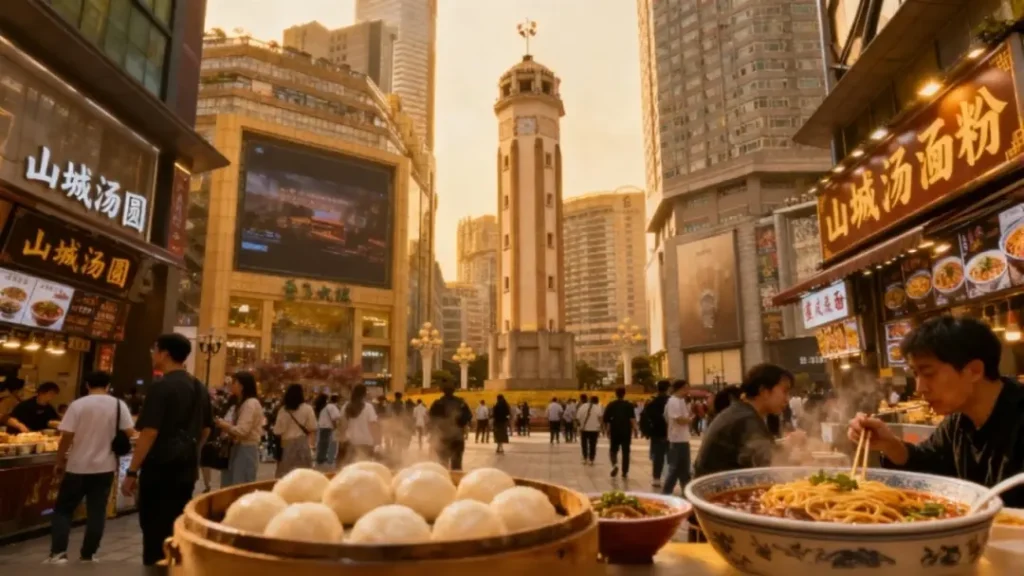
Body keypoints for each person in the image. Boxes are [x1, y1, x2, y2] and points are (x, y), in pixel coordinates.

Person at [848, 316, 1024, 508]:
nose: (920, 387)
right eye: (915, 373)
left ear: (974, 371)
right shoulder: (958, 421)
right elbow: (929, 463)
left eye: (928, 373)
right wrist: (889, 444)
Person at [122, 333, 213, 566]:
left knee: (154, 529)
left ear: (164, 353)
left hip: (160, 470)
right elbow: (206, 430)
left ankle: (156, 569)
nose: (153, 355)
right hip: (186, 470)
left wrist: (132, 471)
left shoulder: (161, 386)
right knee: (177, 525)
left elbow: (149, 432)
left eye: (155, 350)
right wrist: (191, 451)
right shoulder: (198, 386)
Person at [45, 372, 134, 564]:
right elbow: (130, 432)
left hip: (77, 466)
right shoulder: (119, 405)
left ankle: (58, 554)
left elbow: (67, 436)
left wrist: (60, 460)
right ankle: (88, 554)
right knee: (97, 511)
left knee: (63, 510)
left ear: (87, 385)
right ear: (108, 385)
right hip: (105, 467)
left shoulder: (78, 405)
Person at [694, 364, 802, 478]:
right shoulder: (745, 419)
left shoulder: (742, 412)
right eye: (785, 391)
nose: (787, 399)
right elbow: (769, 467)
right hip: (715, 491)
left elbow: (762, 453)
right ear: (764, 391)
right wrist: (791, 446)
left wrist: (788, 444)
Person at [215, 372, 264, 487]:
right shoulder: (242, 403)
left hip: (246, 449)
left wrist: (224, 425)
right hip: (238, 448)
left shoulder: (250, 404)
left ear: (242, 386)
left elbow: (242, 431)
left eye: (234, 382)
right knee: (232, 484)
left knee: (240, 485)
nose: (231, 385)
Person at [272, 384, 316, 478]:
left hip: (286, 445)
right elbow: (312, 427)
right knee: (303, 475)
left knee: (286, 475)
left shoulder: (283, 410)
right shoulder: (308, 408)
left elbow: (277, 431)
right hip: (302, 444)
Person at [428, 385, 472, 470]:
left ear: (443, 391)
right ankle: (455, 480)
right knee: (457, 462)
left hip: (442, 435)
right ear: (453, 391)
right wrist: (460, 424)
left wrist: (437, 427)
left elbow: (431, 417)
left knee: (443, 462)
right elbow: (468, 416)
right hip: (457, 435)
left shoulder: (438, 403)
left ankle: (444, 480)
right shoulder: (460, 403)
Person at [662, 380, 693, 496]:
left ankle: (686, 492)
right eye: (687, 388)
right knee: (675, 468)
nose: (688, 391)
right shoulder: (673, 401)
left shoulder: (680, 401)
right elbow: (678, 419)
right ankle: (666, 492)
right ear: (682, 388)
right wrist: (689, 420)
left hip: (682, 438)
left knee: (684, 469)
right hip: (677, 439)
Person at [641, 380, 671, 489]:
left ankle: (656, 478)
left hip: (656, 433)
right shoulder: (670, 401)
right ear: (668, 388)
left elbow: (644, 417)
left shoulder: (651, 402)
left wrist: (647, 432)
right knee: (672, 457)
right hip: (670, 433)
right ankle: (670, 477)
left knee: (658, 457)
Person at [339, 384, 379, 463]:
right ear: (364, 394)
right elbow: (373, 425)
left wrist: (341, 440)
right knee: (364, 466)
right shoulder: (368, 407)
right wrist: (376, 440)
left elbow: (342, 426)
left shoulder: (345, 407)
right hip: (366, 442)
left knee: (351, 467)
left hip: (350, 442)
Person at [603, 387, 636, 479]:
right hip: (626, 431)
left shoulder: (611, 405)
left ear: (615, 393)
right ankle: (624, 472)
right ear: (624, 394)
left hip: (615, 430)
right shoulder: (629, 405)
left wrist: (607, 430)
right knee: (626, 452)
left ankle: (615, 465)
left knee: (613, 450)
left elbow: (606, 420)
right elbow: (632, 419)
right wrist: (636, 429)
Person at [577, 395, 602, 465]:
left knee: (584, 444)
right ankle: (591, 459)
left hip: (584, 429)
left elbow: (578, 418)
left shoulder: (582, 407)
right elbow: (600, 419)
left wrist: (580, 425)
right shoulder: (598, 408)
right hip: (594, 429)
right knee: (593, 445)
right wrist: (601, 427)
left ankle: (585, 458)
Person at [313, 393, 334, 465]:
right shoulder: (326, 407)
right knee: (324, 442)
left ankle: (320, 457)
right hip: (326, 426)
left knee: (321, 442)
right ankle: (321, 458)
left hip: (320, 425)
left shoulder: (318, 407)